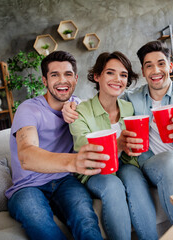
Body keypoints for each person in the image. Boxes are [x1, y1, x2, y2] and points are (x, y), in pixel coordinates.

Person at [62, 41, 173, 224]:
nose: (156, 70)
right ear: (143, 72)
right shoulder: (131, 98)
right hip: (153, 162)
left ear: (170, 66)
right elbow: (107, 96)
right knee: (171, 160)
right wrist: (72, 103)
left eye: (161, 63)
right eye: (148, 66)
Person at [5, 51, 103, 240]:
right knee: (40, 222)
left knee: (86, 219)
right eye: (54, 75)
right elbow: (26, 155)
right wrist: (73, 162)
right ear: (44, 81)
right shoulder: (28, 109)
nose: (62, 80)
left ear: (75, 79)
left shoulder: (78, 106)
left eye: (67, 74)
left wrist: (76, 111)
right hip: (28, 186)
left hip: (65, 182)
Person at [69, 51, 158, 240]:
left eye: (123, 75)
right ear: (97, 76)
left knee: (135, 179)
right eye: (110, 73)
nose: (118, 79)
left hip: (125, 165)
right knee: (113, 186)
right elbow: (86, 150)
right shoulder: (80, 111)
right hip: (95, 171)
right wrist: (117, 144)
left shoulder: (128, 107)